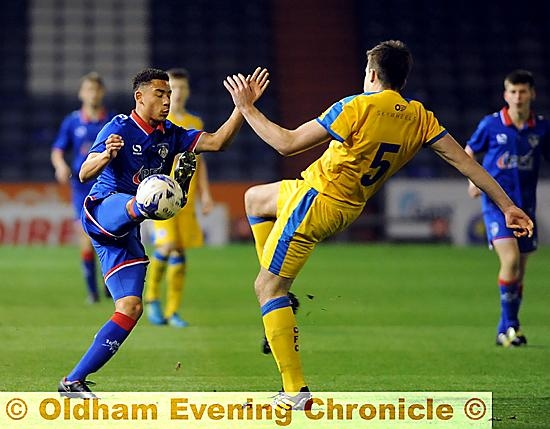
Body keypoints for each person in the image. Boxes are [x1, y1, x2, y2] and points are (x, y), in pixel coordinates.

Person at [223, 40, 534, 409]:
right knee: (255, 199)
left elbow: (286, 144)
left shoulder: (357, 106)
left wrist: (246, 107)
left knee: (266, 287)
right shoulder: (420, 116)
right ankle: (282, 305)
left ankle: (295, 391)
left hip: (315, 202)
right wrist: (508, 206)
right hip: (343, 204)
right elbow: (468, 165)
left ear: (372, 74)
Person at [58, 67, 269, 398]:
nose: (167, 100)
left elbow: (218, 142)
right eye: (160, 94)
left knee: (130, 308)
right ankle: (158, 200)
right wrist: (105, 156)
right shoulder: (119, 127)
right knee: (150, 195)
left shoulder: (171, 134)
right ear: (139, 97)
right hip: (103, 212)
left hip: (126, 235)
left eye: (169, 94)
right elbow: (83, 172)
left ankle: (72, 381)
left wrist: (243, 107)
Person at [465, 70, 550, 347]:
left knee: (519, 272)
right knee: (510, 260)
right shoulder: (491, 125)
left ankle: (505, 330)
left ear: (531, 94)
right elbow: (468, 150)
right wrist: (473, 180)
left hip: (526, 207)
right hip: (497, 205)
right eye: (512, 92)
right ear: (505, 95)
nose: (517, 97)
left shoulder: (541, 128)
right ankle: (511, 327)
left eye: (522, 91)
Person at [144, 68, 215, 327]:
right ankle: (151, 299)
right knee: (166, 246)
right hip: (160, 197)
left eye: (183, 88)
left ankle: (172, 311)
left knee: (180, 251)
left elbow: (200, 161)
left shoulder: (194, 123)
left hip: (186, 198)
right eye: (174, 88)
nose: (179, 93)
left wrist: (206, 194)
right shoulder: (157, 121)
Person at [51, 72, 114, 303]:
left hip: (107, 185)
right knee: (86, 237)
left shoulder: (112, 121)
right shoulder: (73, 121)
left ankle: (111, 283)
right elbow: (57, 149)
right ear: (81, 93)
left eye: (96, 89)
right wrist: (60, 166)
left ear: (102, 93)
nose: (93, 94)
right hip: (81, 187)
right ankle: (92, 292)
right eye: (88, 89)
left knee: (111, 235)